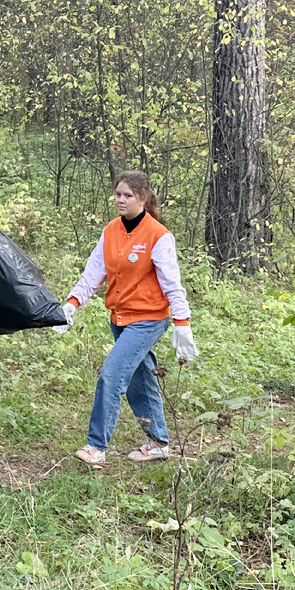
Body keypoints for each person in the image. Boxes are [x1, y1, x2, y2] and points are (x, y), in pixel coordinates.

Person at [55, 171, 197, 465]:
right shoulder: (111, 231)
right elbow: (94, 272)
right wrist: (72, 303)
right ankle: (158, 441)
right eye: (118, 194)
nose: (121, 200)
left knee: (112, 375)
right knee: (140, 380)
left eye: (127, 196)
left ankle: (96, 446)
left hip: (147, 319)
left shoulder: (158, 236)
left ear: (143, 199)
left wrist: (182, 323)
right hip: (119, 317)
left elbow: (172, 283)